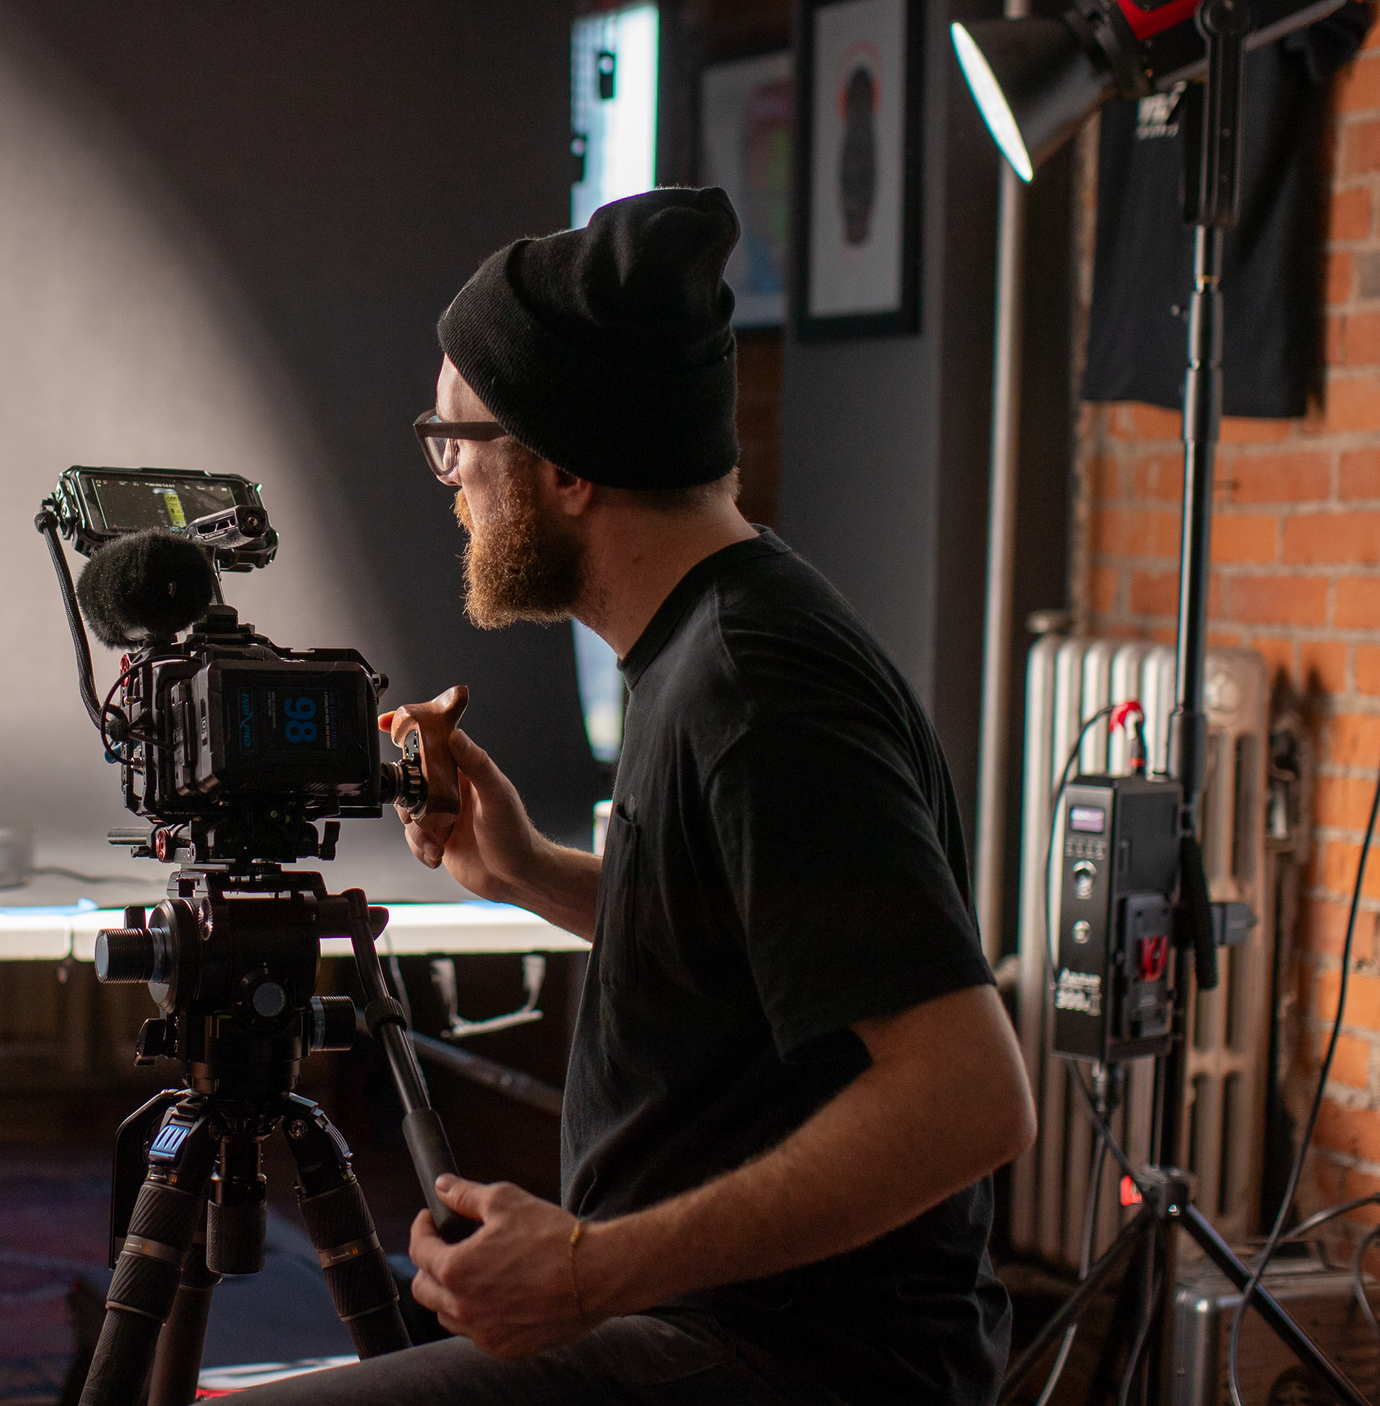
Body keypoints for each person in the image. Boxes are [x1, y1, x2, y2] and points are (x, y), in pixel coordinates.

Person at [243, 188, 1036, 1405]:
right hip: (711, 1331)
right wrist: (528, 872)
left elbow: (971, 1096)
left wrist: (590, 1268)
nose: (447, 475)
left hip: (787, 1362)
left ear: (563, 467)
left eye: (457, 436)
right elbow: (759, 953)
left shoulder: (756, 685)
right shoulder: (715, 640)